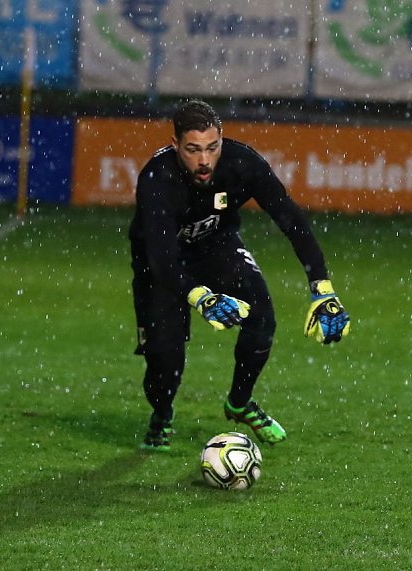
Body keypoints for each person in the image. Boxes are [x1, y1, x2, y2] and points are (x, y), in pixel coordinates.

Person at [129, 99, 350, 451]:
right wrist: (201, 298)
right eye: (193, 150)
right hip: (161, 265)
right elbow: (161, 259)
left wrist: (322, 287)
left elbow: (291, 219)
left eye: (212, 147)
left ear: (222, 140)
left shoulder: (242, 164)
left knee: (262, 316)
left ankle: (239, 403)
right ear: (175, 145)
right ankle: (162, 412)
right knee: (164, 359)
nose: (204, 160)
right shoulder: (157, 179)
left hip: (218, 249)